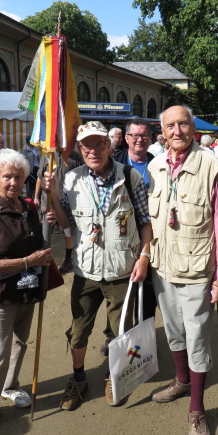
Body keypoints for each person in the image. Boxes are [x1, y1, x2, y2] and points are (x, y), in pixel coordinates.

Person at [43, 121, 152, 411]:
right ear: (80, 149)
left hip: (122, 270)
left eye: (99, 144)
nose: (93, 150)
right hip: (85, 270)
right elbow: (66, 223)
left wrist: (144, 256)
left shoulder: (129, 176)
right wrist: (51, 194)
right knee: (78, 331)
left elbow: (144, 221)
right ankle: (78, 379)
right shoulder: (72, 179)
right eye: (87, 145)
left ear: (109, 145)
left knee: (121, 331)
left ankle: (112, 375)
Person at [147, 105, 218, 435]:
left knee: (197, 338)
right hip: (163, 269)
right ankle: (181, 381)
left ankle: (197, 410)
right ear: (163, 130)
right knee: (173, 330)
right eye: (171, 125)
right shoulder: (155, 166)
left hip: (198, 272)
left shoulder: (212, 167)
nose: (177, 130)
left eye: (183, 123)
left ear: (192, 127)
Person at [0, 148, 54, 435]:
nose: (13, 182)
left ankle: (10, 385)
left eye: (18, 176)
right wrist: (30, 262)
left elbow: (36, 240)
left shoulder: (27, 207)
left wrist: (48, 218)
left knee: (19, 343)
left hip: (26, 290)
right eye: (7, 177)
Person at [99, 118, 157, 356]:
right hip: (120, 237)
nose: (139, 139)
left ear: (150, 138)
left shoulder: (157, 164)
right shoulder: (115, 163)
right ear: (126, 138)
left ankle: (144, 338)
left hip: (151, 234)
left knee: (149, 291)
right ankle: (112, 334)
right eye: (134, 135)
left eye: (144, 135)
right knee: (119, 290)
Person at [34, 148, 83, 273]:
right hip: (47, 201)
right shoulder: (46, 154)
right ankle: (42, 262)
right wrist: (36, 197)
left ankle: (68, 259)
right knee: (44, 232)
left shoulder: (76, 156)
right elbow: (40, 177)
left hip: (68, 201)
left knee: (68, 232)